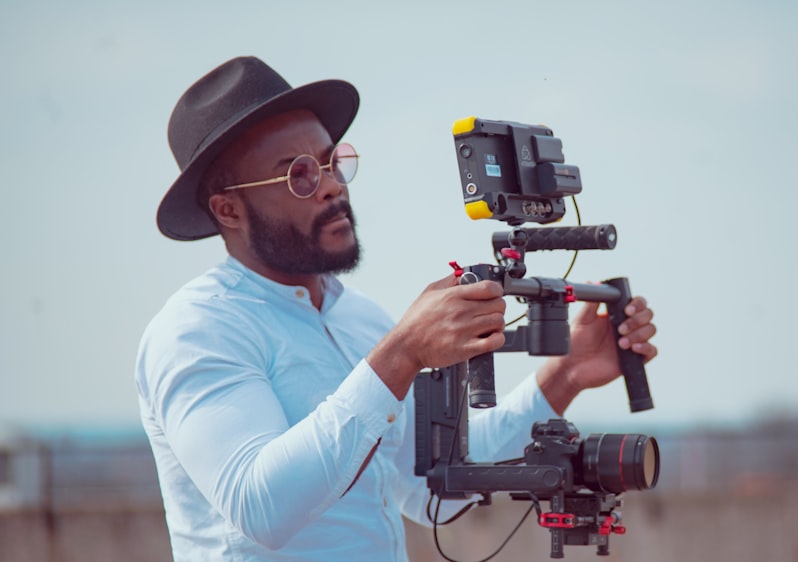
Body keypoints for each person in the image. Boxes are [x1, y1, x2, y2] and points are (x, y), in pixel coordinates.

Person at [135, 56, 658, 561]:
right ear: (228, 209)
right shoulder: (197, 329)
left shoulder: (357, 318)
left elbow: (432, 489)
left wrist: (566, 373)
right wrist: (402, 354)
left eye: (332, 161)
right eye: (300, 175)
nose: (333, 186)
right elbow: (261, 506)